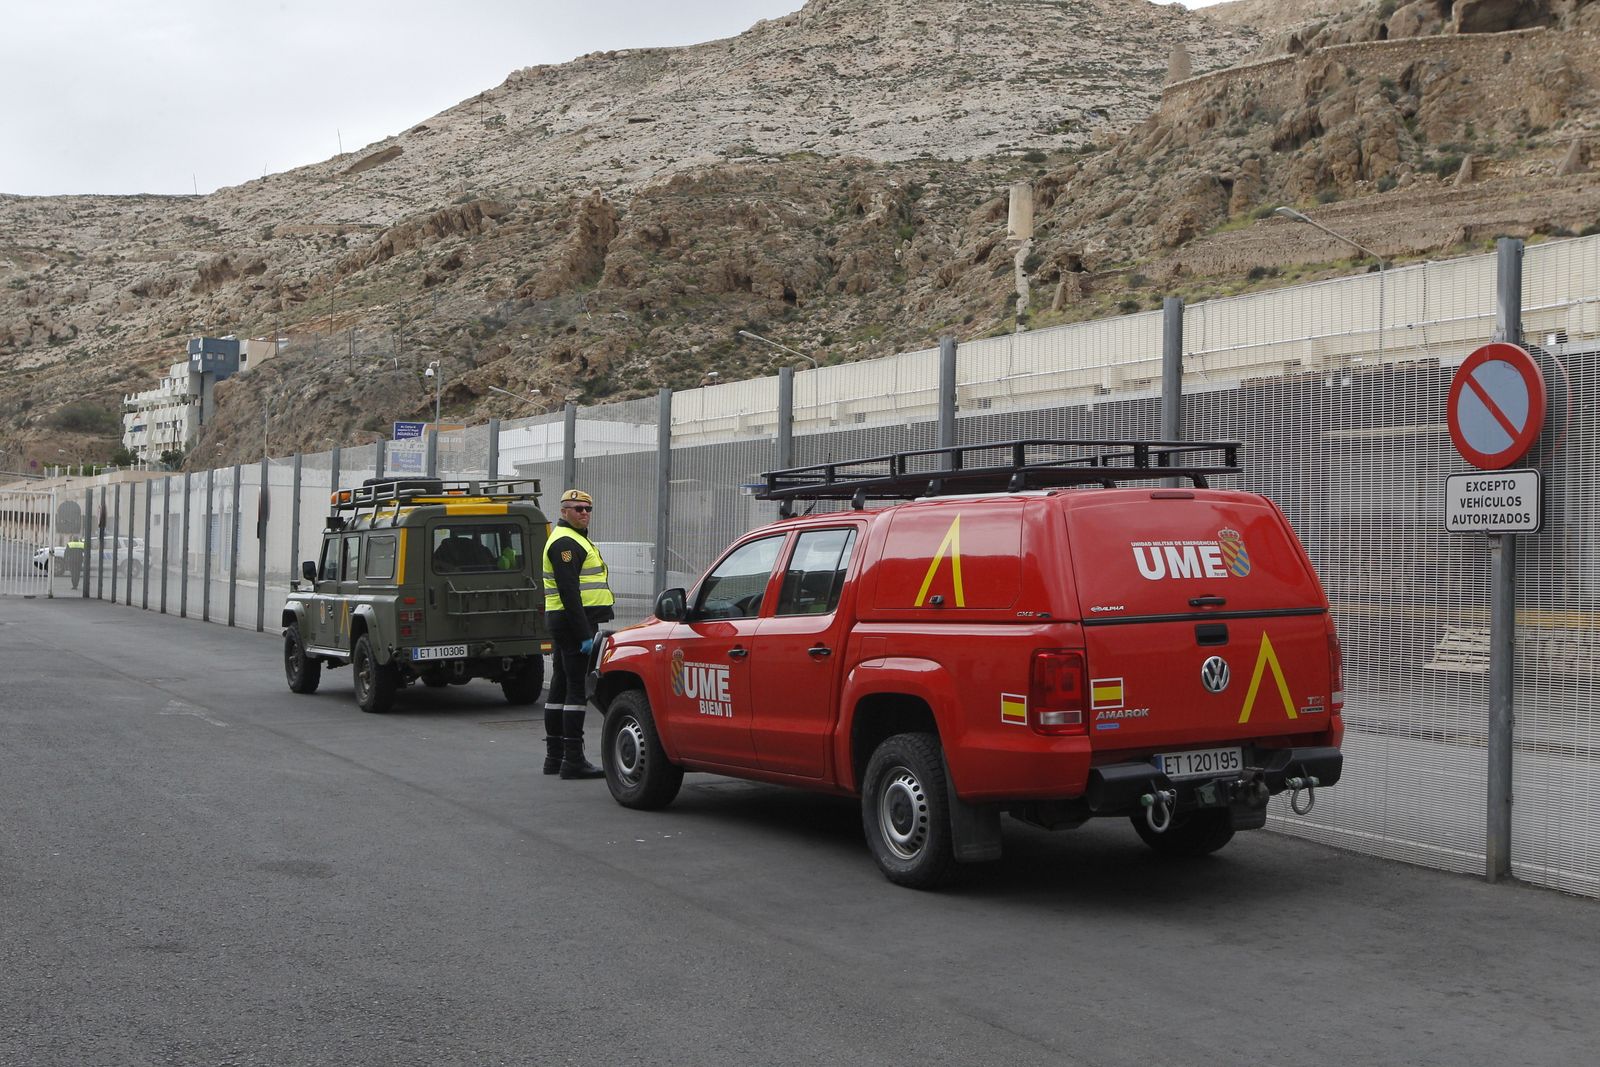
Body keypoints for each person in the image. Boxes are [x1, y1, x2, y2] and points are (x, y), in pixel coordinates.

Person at [542, 488, 615, 780]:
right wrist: (585, 634)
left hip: (569, 621)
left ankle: (554, 758)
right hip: (575, 622)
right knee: (576, 687)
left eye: (587, 508)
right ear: (563, 511)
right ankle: (572, 759)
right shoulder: (565, 543)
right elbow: (570, 592)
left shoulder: (574, 539)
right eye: (577, 508)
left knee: (560, 684)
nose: (584, 513)